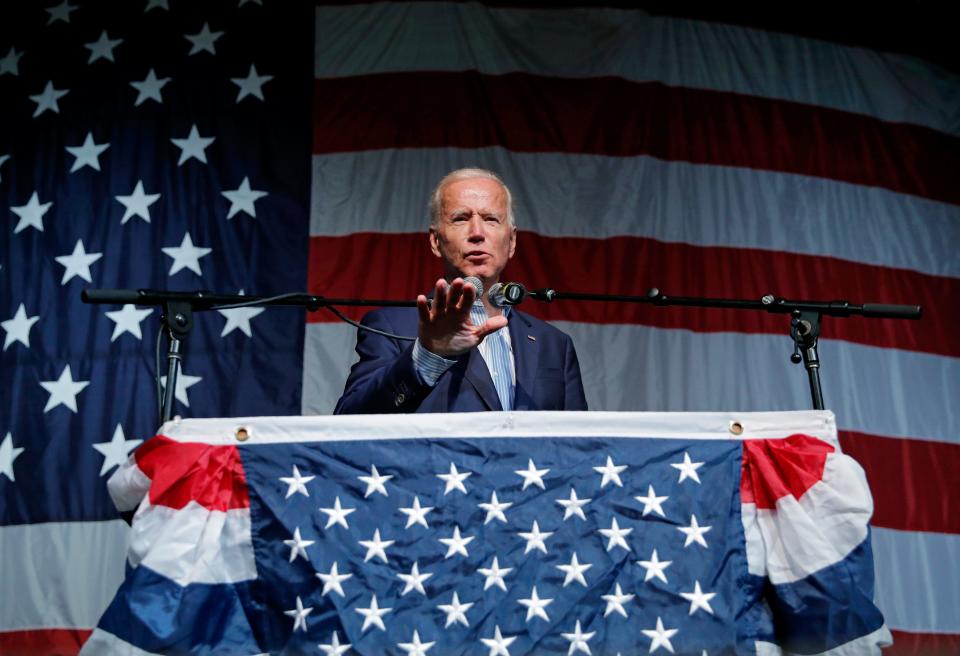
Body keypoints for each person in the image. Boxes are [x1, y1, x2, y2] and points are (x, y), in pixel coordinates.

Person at [334, 168, 587, 414]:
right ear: (436, 241)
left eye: (490, 219)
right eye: (461, 218)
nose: (477, 233)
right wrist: (428, 355)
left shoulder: (554, 344)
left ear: (511, 242)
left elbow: (579, 443)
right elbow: (350, 420)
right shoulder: (390, 328)